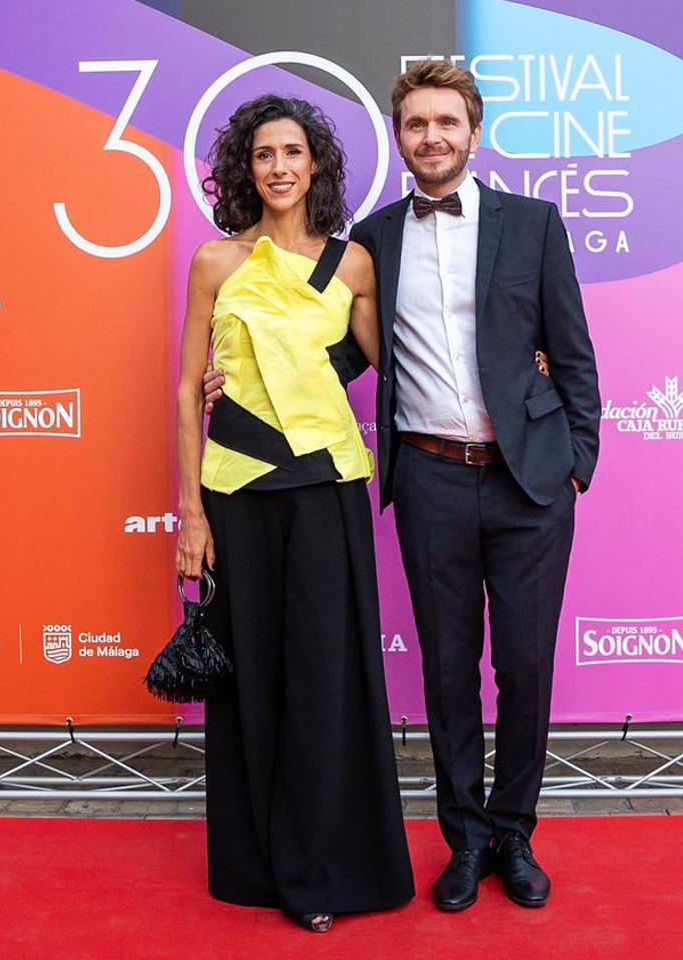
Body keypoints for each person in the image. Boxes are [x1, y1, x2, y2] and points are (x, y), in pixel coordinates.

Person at [345, 60, 600, 912]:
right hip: (428, 480)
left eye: (446, 123)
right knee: (448, 673)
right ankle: (463, 840)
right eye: (416, 125)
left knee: (525, 669)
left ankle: (515, 833)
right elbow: (343, 345)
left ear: (473, 131)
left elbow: (572, 352)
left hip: (530, 485)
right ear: (400, 137)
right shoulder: (375, 237)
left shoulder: (533, 224)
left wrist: (577, 459)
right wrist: (240, 371)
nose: (432, 138)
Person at [175, 94, 414, 933]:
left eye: (293, 152)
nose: (279, 167)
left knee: (326, 678)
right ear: (248, 168)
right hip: (237, 490)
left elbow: (392, 365)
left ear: (316, 166)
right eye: (263, 154)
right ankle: (255, 865)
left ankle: (322, 869)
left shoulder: (352, 266)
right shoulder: (214, 262)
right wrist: (190, 513)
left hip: (327, 490)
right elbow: (184, 387)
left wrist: (519, 352)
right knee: (258, 680)